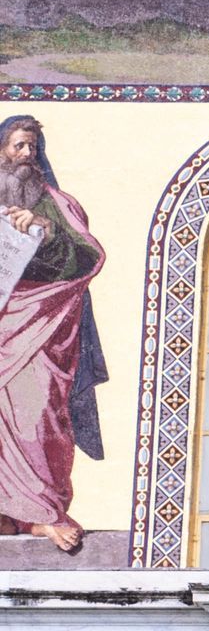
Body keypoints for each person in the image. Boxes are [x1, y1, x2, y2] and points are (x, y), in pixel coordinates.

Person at [0, 114, 106, 555]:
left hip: (44, 329)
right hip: (3, 323)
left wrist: (43, 235)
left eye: (32, 147)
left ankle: (43, 512)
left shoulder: (58, 206)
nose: (26, 155)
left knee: (40, 413)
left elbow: (87, 256)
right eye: (17, 146)